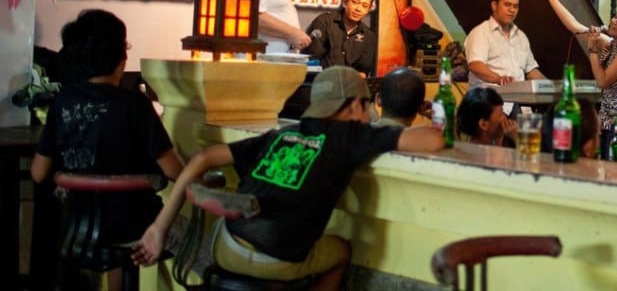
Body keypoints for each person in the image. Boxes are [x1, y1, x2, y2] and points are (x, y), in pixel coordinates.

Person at [132, 66, 444, 288]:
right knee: (342, 251)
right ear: (353, 105)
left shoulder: (281, 134)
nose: (367, 116)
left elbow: (202, 158)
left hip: (226, 247)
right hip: (277, 261)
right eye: (365, 107)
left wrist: (159, 228)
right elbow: (432, 140)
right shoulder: (351, 136)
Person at [31, 10, 184, 291]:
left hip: (80, 229)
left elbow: (39, 173)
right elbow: (175, 172)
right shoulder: (135, 104)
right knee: (206, 245)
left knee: (117, 242)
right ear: (121, 56)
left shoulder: (63, 101)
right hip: (136, 229)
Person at [533, 0, 617, 154]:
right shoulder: (610, 43)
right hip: (608, 117)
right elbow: (574, 25)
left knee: (616, 164)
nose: (614, 21)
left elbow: (602, 81)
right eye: (616, 17)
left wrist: (592, 48)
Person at [464, 0, 546, 88]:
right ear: (494, 5)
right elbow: (475, 65)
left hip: (518, 97)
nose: (512, 10)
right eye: (507, 5)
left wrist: (552, 86)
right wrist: (499, 79)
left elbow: (531, 71)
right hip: (488, 96)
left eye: (515, 6)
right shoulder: (480, 33)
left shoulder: (521, 37)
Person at [304, 0, 377, 76]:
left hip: (349, 83)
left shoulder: (368, 36)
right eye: (355, 2)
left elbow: (363, 69)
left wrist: (359, 76)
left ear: (369, 9)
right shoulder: (324, 22)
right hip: (320, 80)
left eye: (364, 6)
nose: (358, 9)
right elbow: (312, 59)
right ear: (345, 1)